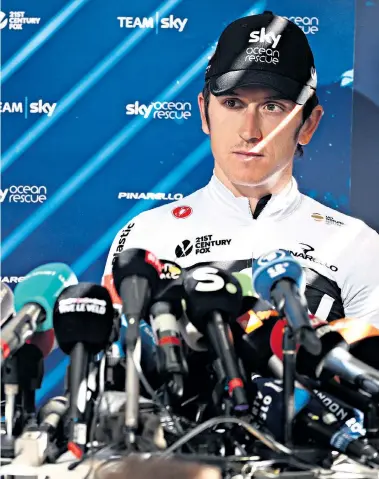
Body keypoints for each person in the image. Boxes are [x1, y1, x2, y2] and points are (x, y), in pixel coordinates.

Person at [103, 11, 379, 325]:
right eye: (233, 103)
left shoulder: (358, 245)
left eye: (272, 107)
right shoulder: (145, 236)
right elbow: (112, 365)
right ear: (204, 114)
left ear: (309, 124)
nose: (250, 131)